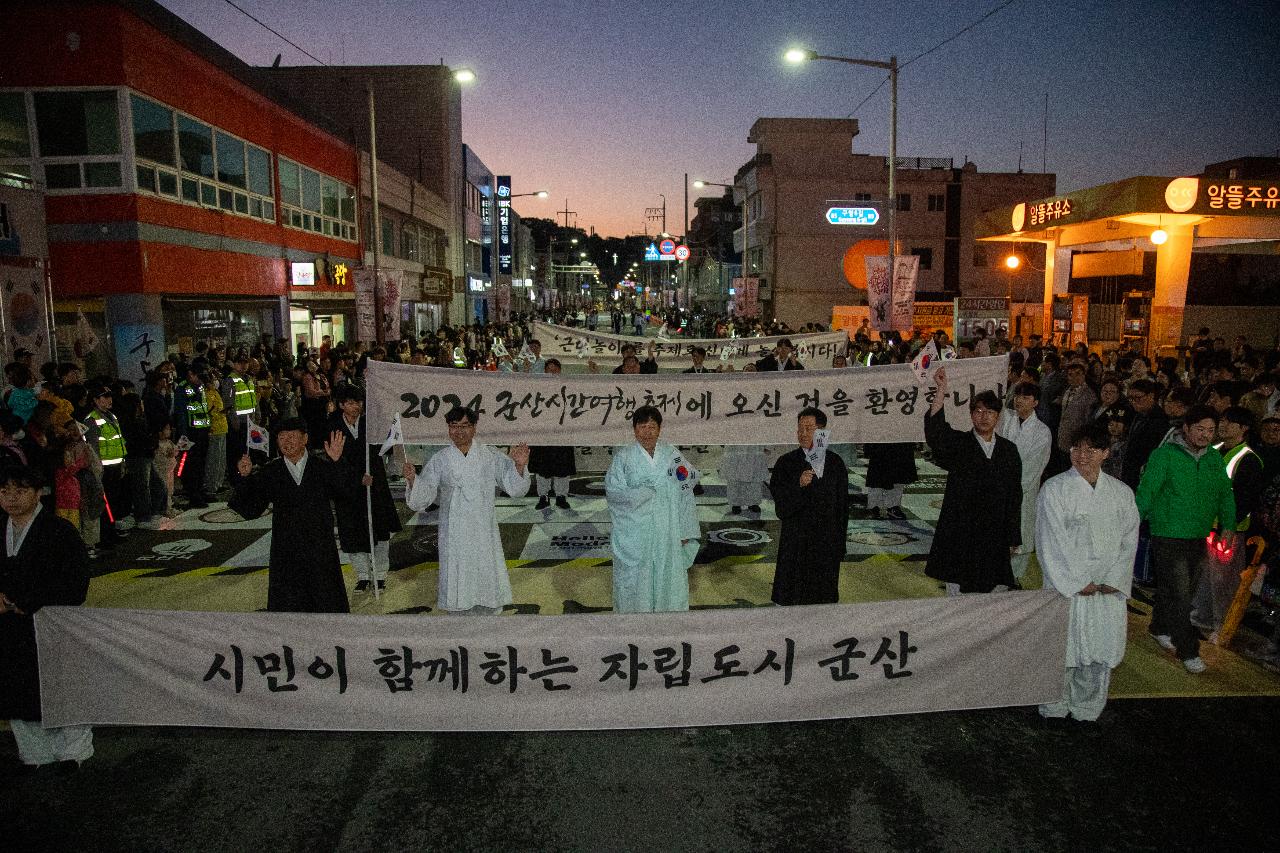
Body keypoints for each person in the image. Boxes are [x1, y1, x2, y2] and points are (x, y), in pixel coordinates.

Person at [1036, 422, 1140, 724]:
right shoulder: (1055, 489)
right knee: (1062, 649)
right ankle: (1053, 705)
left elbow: (1128, 540)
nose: (1082, 455)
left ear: (1105, 453)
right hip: (1067, 587)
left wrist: (1113, 579)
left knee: (1098, 651)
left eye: (1091, 449)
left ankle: (1088, 707)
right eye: (1077, 448)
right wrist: (1079, 581)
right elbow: (1050, 541)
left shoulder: (1121, 493)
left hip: (1106, 588)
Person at [0, 464, 93, 772]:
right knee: (17, 689)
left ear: (38, 493)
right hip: (11, 631)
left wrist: (25, 602)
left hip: (52, 625)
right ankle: (34, 753)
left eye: (20, 490)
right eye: (4, 491)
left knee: (61, 685)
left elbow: (76, 581)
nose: (12, 498)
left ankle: (73, 751)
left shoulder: (58, 531)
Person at [1135, 405, 1236, 673]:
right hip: (1167, 533)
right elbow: (1147, 492)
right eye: (1200, 429)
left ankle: (1159, 626)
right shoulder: (1164, 456)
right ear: (1186, 429)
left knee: (1180, 589)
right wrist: (1131, 522)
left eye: (1211, 430)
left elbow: (1225, 492)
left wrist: (1229, 523)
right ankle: (1188, 649)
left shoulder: (1214, 459)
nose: (1205, 435)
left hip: (1198, 533)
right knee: (1180, 593)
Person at [403, 407, 531, 615]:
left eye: (465, 426)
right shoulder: (441, 458)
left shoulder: (489, 455)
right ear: (448, 429)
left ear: (474, 428)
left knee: (484, 566)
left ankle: (488, 606)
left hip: (482, 526)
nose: (459, 431)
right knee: (457, 568)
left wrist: (518, 465)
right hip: (454, 528)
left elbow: (514, 488)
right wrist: (412, 479)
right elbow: (423, 494)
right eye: (454, 426)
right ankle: (458, 608)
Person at [230, 418, 356, 613]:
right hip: (287, 551)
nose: (286, 442)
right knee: (289, 608)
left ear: (305, 438)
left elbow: (346, 493)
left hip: (320, 548)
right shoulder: (271, 471)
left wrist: (338, 462)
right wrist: (244, 478)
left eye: (292, 436)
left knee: (327, 604)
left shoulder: (321, 466)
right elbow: (250, 509)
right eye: (281, 437)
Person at [924, 367, 1022, 593]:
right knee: (957, 590)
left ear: (998, 416)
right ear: (971, 415)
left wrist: (1013, 535)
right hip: (961, 531)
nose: (984, 416)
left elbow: (1015, 495)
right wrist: (941, 389)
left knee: (992, 594)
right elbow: (936, 432)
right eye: (978, 411)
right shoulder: (960, 444)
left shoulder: (1008, 450)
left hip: (994, 533)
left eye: (990, 412)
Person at [604, 406, 700, 612]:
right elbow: (614, 493)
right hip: (636, 531)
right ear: (634, 430)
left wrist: (685, 530)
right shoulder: (624, 458)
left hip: (668, 529)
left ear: (659, 429)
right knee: (637, 578)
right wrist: (642, 494)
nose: (647, 431)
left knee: (668, 574)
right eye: (642, 426)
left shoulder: (672, 455)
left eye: (652, 426)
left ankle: (668, 621)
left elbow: (686, 489)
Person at [1190, 406, 1263, 641]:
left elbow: (1246, 498)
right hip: (1205, 524)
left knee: (1223, 581)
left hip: (1227, 529)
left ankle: (1220, 626)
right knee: (1203, 575)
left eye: (1230, 422)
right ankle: (1199, 617)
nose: (1223, 425)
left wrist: (1229, 526)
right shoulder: (1213, 450)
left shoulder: (1248, 458)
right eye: (1222, 420)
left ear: (1243, 429)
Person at [770, 407, 850, 604]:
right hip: (796, 542)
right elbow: (781, 506)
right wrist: (799, 485)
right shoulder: (785, 462)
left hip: (826, 541)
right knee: (793, 595)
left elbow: (842, 508)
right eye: (800, 428)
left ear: (822, 431)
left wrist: (840, 544)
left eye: (809, 428)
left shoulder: (835, 463)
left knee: (823, 596)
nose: (802, 433)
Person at [327, 385, 401, 594]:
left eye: (359, 402)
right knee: (352, 532)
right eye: (350, 402)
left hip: (374, 484)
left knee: (379, 530)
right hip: (348, 488)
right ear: (341, 404)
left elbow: (386, 442)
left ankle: (379, 575)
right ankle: (362, 575)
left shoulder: (371, 423)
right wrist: (357, 478)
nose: (356, 406)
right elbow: (333, 459)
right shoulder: (332, 426)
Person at [997, 381, 1053, 581]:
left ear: (1035, 402)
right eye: (1018, 396)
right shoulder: (1005, 420)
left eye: (1026, 397)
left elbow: (1033, 467)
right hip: (999, 487)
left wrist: (1010, 488)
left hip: (1023, 490)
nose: (1019, 400)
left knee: (1021, 534)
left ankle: (1015, 578)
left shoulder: (1042, 432)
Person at [528, 359, 576, 510]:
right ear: (544, 371)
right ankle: (543, 496)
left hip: (562, 432)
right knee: (543, 467)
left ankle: (562, 496)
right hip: (542, 432)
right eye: (549, 369)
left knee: (562, 467)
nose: (552, 372)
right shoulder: (537, 387)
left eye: (555, 369)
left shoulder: (569, 386)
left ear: (560, 371)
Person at [722, 444, 769, 514]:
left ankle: (753, 503)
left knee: (754, 478)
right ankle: (736, 504)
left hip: (754, 447)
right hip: (736, 447)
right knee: (735, 477)